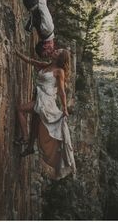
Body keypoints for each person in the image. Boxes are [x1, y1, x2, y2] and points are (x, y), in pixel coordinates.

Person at [15, 47, 76, 180]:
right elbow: (30, 61)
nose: (54, 51)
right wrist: (17, 52)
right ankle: (29, 146)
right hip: (38, 97)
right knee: (35, 124)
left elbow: (61, 91)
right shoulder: (47, 65)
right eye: (56, 50)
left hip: (46, 102)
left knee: (20, 110)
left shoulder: (59, 71)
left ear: (60, 58)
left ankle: (25, 138)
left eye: (57, 52)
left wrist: (64, 108)